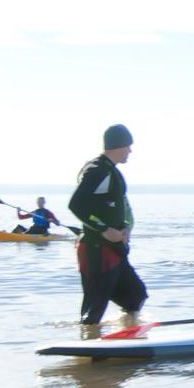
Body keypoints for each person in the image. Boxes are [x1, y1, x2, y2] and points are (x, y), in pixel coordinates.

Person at [67, 124, 146, 328]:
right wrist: (104, 229)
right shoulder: (97, 170)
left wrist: (126, 227)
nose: (130, 151)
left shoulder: (113, 172)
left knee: (135, 295)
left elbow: (124, 207)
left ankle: (128, 335)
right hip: (96, 249)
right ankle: (88, 345)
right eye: (128, 146)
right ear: (118, 145)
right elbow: (76, 205)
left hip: (115, 250)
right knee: (95, 304)